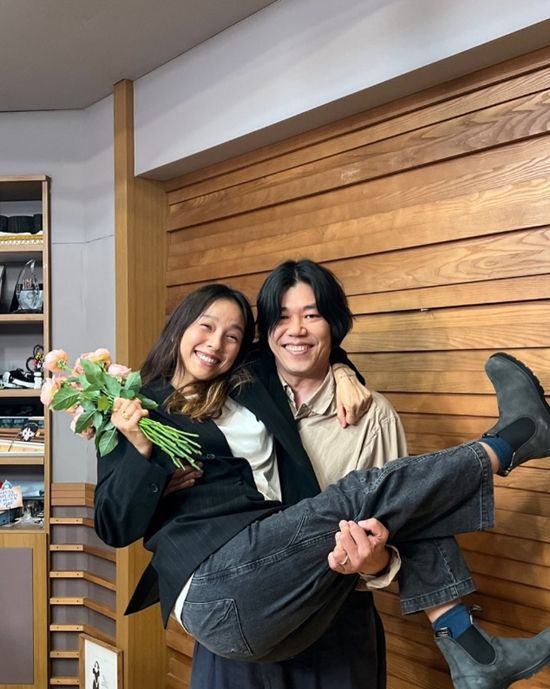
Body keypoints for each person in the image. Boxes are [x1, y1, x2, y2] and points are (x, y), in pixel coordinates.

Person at [93, 283, 550, 689]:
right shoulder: (134, 406)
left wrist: (344, 373)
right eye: (206, 326)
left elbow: (303, 346)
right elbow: (113, 525)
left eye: (233, 335)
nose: (216, 343)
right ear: (180, 327)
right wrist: (142, 452)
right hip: (216, 583)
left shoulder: (247, 380)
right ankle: (514, 440)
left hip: (283, 583)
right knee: (359, 493)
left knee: (404, 505)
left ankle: (471, 651)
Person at [190, 261, 407, 689]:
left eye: (312, 315)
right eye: (283, 317)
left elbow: (399, 542)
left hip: (333, 630)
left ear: (334, 324)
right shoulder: (229, 396)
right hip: (236, 620)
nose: (296, 330)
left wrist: (376, 562)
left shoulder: (373, 418)